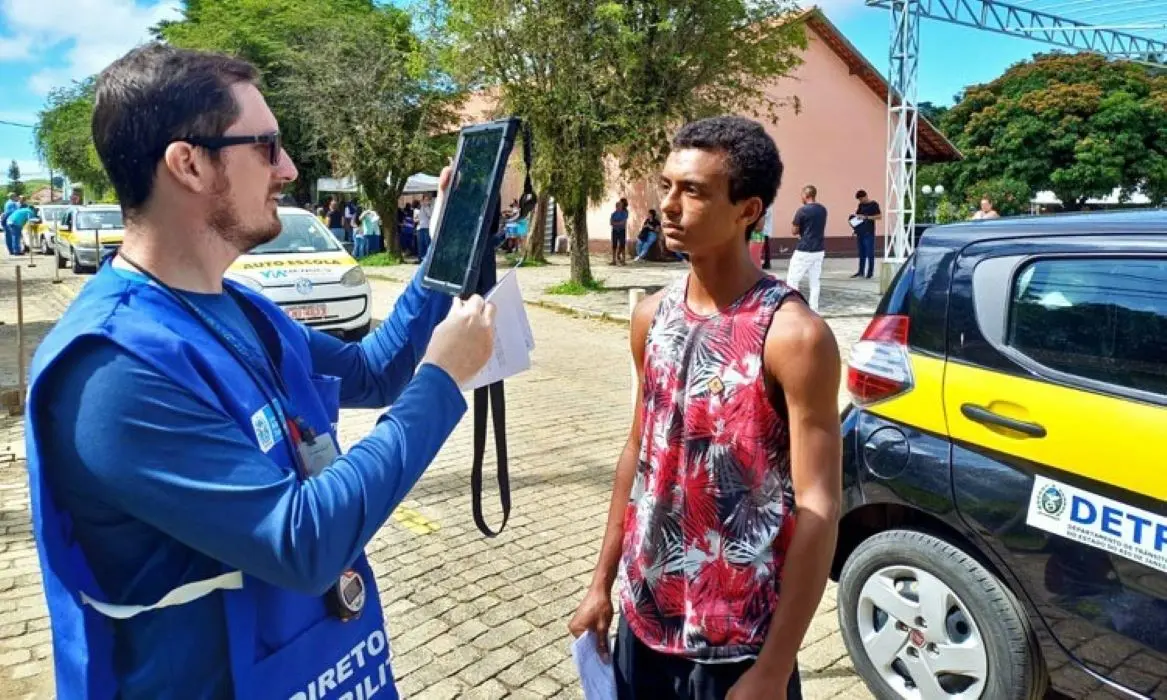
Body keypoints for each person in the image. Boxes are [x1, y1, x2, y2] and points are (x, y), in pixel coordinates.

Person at [25, 43, 495, 699]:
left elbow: (375, 371)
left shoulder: (237, 306)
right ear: (187, 163)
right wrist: (440, 384)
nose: (288, 168)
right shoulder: (112, 369)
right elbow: (300, 542)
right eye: (266, 146)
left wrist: (446, 244)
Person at [568, 116, 842, 700]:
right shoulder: (651, 316)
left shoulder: (793, 336)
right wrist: (601, 584)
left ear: (749, 210)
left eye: (693, 191)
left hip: (739, 643)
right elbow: (638, 451)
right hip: (643, 620)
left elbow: (819, 504)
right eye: (666, 185)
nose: (668, 204)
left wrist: (774, 667)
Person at [787, 185, 828, 312]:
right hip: (819, 249)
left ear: (806, 195)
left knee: (792, 280)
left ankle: (794, 308)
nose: (801, 197)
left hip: (804, 249)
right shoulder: (823, 209)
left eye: (802, 194)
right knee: (815, 281)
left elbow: (794, 230)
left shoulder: (802, 210)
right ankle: (814, 309)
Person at [851, 189, 880, 278]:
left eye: (861, 199)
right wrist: (855, 229)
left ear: (865, 196)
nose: (860, 201)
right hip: (860, 232)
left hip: (869, 232)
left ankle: (870, 272)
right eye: (859, 200)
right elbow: (858, 218)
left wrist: (866, 217)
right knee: (861, 252)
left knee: (870, 253)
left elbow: (879, 216)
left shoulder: (874, 204)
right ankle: (861, 271)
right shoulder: (861, 205)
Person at [610, 197, 629, 265]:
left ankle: (623, 260)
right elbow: (611, 223)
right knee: (614, 245)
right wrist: (618, 223)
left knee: (622, 245)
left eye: (620, 205)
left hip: (621, 230)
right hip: (615, 230)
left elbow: (623, 222)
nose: (619, 207)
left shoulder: (625, 213)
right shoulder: (613, 214)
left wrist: (616, 223)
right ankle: (614, 260)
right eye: (617, 206)